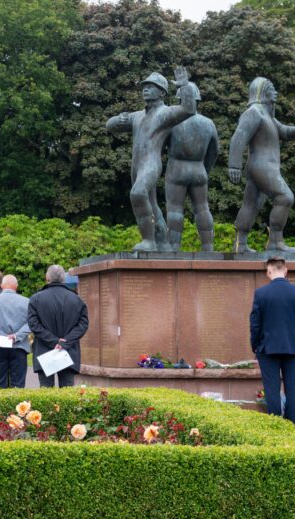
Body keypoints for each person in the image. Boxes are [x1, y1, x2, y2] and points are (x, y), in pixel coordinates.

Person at [106, 67, 197, 251]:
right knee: (152, 205)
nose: (145, 89)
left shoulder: (165, 113)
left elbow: (188, 109)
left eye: (151, 86)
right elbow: (109, 125)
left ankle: (148, 241)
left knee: (138, 193)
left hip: (151, 163)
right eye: (144, 86)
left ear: (162, 92)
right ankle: (163, 242)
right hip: (136, 165)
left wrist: (185, 86)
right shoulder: (137, 116)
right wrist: (119, 118)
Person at [230, 77, 295, 253]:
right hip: (262, 166)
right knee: (285, 197)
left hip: (263, 167)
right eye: (272, 88)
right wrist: (234, 165)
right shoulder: (254, 112)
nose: (275, 91)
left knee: (252, 204)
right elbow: (239, 136)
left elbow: (283, 131)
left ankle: (241, 244)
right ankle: (276, 241)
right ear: (263, 92)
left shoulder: (267, 116)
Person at [250, 257, 295, 424]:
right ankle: (291, 426)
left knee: (272, 389)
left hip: (267, 348)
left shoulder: (261, 293)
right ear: (285, 271)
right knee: (292, 386)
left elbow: (255, 323)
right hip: (292, 347)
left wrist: (255, 345)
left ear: (268, 271)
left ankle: (276, 425)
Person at [164, 83, 218, 251]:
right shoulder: (209, 123)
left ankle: (173, 248)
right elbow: (214, 152)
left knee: (174, 210)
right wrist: (205, 170)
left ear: (180, 99)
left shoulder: (172, 122)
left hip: (176, 168)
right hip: (199, 169)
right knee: (202, 208)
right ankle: (208, 247)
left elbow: (160, 146)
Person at [28, 265, 90, 388]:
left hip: (44, 350)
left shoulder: (36, 298)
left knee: (46, 393)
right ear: (64, 279)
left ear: (47, 277)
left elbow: (34, 325)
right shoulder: (76, 299)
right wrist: (64, 342)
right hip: (68, 350)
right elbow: (83, 325)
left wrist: (54, 341)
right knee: (67, 393)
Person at [0, 275, 30, 389]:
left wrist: (3, 337)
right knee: (18, 385)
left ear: (2, 286)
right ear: (16, 286)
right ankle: (19, 406)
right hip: (19, 346)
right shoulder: (27, 302)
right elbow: (31, 323)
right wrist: (16, 336)